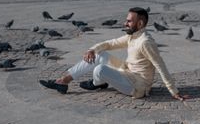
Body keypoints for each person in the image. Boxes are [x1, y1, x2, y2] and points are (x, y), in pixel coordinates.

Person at [39, 7, 189, 101]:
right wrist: (92, 49)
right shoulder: (132, 36)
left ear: (140, 24)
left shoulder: (145, 42)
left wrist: (174, 91)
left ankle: (97, 82)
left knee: (100, 70)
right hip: (127, 72)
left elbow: (160, 65)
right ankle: (64, 81)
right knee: (99, 54)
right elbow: (110, 43)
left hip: (138, 86)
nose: (125, 23)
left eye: (129, 21)